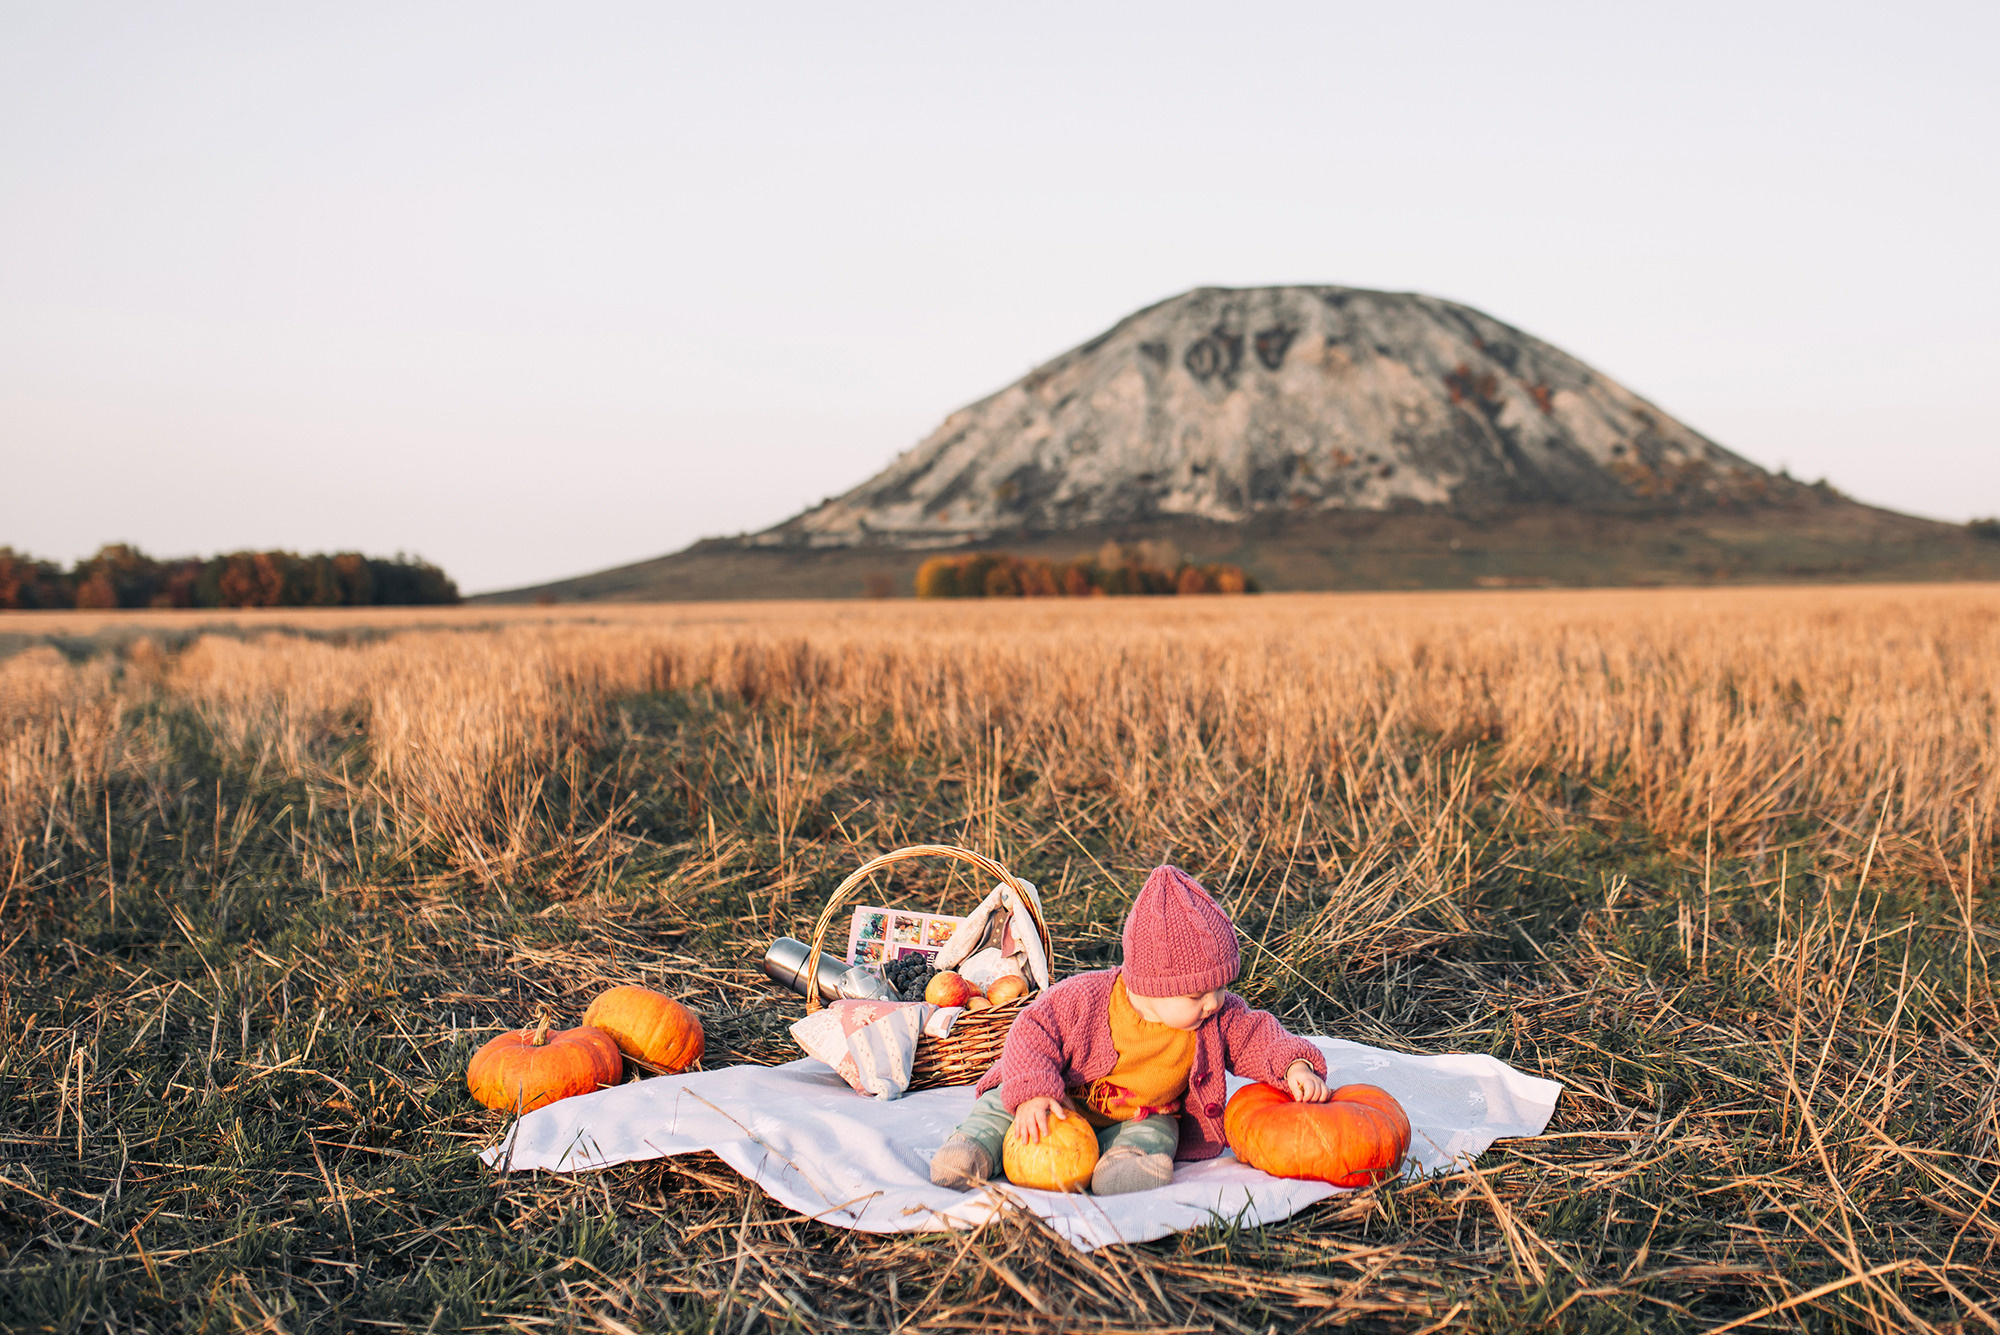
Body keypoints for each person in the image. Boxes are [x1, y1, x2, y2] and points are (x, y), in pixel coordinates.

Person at [930, 864, 1330, 1195]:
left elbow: (1257, 1034)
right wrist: (1033, 1093)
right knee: (1003, 1108)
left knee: (1160, 1132)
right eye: (1198, 995)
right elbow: (1032, 1029)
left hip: (1139, 1113)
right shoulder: (1083, 1000)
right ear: (1152, 987)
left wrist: (1294, 1065)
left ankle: (1125, 1165)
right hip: (1058, 1103)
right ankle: (973, 1148)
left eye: (1222, 987)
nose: (1214, 1002)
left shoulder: (1213, 1017)